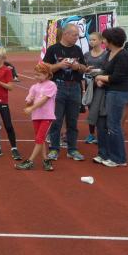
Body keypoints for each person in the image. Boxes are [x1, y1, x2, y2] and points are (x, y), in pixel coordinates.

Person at [44, 24, 88, 161]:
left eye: (77, 35)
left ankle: (72, 149)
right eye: (74, 35)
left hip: (75, 87)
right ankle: (54, 149)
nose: (77, 37)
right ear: (65, 34)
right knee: (56, 120)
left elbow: (84, 68)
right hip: (58, 87)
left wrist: (77, 67)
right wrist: (59, 65)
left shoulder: (77, 50)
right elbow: (44, 68)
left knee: (73, 120)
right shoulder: (53, 49)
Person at [93, 27, 128, 167]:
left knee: (114, 125)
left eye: (104, 38)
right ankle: (106, 154)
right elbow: (106, 71)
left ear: (111, 40)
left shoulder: (123, 55)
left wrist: (100, 77)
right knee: (106, 124)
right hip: (110, 91)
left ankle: (119, 158)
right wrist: (101, 78)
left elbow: (118, 77)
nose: (103, 41)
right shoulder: (110, 52)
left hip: (118, 93)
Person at [17, 62, 58, 170]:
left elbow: (44, 99)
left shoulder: (51, 85)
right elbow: (30, 98)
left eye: (39, 75)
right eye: (35, 74)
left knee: (39, 139)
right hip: (36, 116)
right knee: (40, 139)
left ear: (47, 74)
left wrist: (31, 108)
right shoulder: (34, 87)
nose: (36, 77)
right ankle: (46, 160)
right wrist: (29, 102)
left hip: (47, 116)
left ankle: (30, 161)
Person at [82, 32, 109, 144]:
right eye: (90, 40)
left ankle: (102, 134)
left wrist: (100, 76)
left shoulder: (106, 54)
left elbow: (108, 69)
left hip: (102, 84)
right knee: (91, 108)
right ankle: (91, 134)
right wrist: (86, 69)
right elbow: (83, 69)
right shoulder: (87, 55)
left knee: (101, 109)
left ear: (101, 40)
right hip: (90, 84)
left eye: (94, 40)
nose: (91, 42)